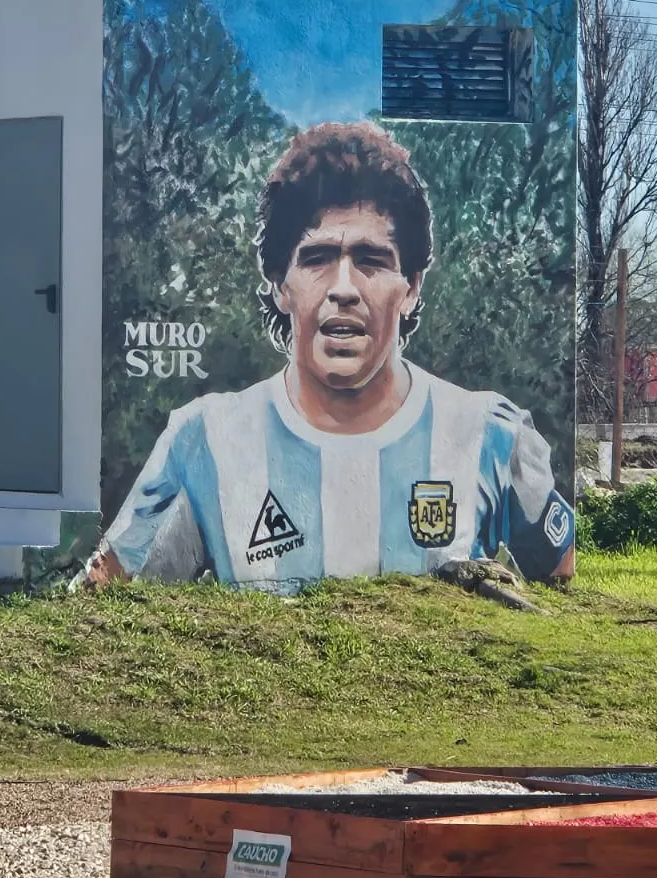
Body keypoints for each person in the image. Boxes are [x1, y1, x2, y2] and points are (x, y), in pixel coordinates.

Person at [82, 122, 574, 588]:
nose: (344, 288)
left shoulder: (489, 436)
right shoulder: (204, 441)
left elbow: (565, 593)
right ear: (280, 285)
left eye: (371, 260)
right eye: (317, 259)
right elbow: (107, 601)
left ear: (411, 287)